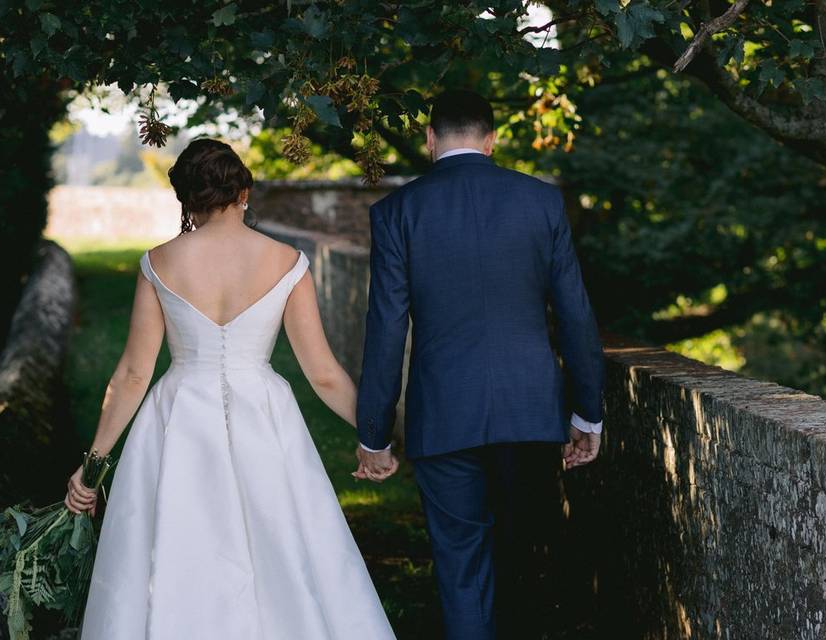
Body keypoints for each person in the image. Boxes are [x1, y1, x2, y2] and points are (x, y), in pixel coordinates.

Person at [65, 138, 398, 639]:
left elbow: (134, 374)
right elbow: (324, 373)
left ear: (188, 199)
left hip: (177, 421)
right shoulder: (287, 261)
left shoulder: (159, 263)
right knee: (283, 547)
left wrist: (93, 466)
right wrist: (376, 439)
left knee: (176, 551)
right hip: (265, 415)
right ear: (244, 191)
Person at [354, 89, 606, 640]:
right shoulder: (541, 202)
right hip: (530, 410)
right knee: (524, 557)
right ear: (491, 140)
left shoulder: (397, 212)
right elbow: (576, 316)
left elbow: (387, 328)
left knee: (462, 565)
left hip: (444, 415)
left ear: (429, 140)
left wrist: (374, 433)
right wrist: (588, 414)